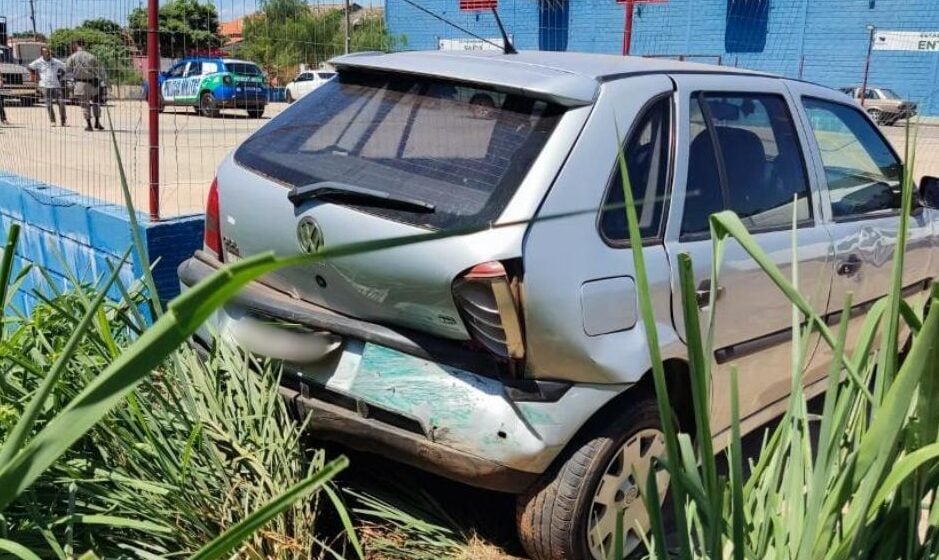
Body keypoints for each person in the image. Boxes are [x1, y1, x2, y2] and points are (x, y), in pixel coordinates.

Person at [65, 40, 104, 131]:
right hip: (93, 83)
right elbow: (99, 70)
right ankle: (97, 122)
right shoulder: (92, 56)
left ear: (75, 45)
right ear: (84, 45)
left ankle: (89, 125)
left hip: (81, 84)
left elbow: (67, 70)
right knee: (96, 103)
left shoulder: (72, 57)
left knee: (85, 105)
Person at [29, 47, 67, 127]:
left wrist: (60, 76)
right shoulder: (38, 61)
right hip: (44, 85)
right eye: (44, 52)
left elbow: (64, 67)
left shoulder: (55, 61)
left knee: (61, 103)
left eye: (47, 52)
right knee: (49, 104)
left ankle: (63, 120)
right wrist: (36, 76)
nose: (46, 53)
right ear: (41, 53)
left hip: (56, 85)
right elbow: (30, 67)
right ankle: (53, 121)